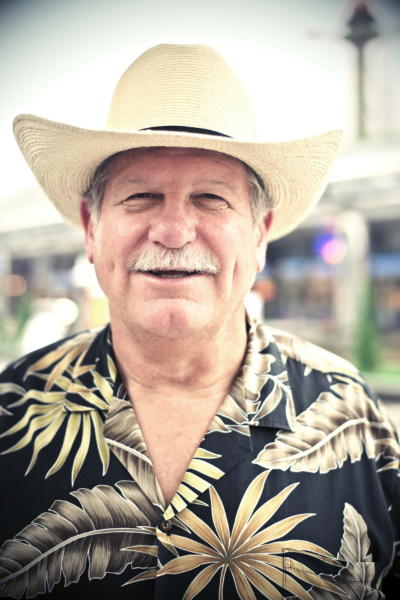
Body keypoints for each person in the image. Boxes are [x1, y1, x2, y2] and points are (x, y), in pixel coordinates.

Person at [0, 44, 398, 600]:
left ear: (259, 234)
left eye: (211, 198)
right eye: (141, 196)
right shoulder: (10, 408)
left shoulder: (350, 412)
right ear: (91, 227)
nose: (173, 230)